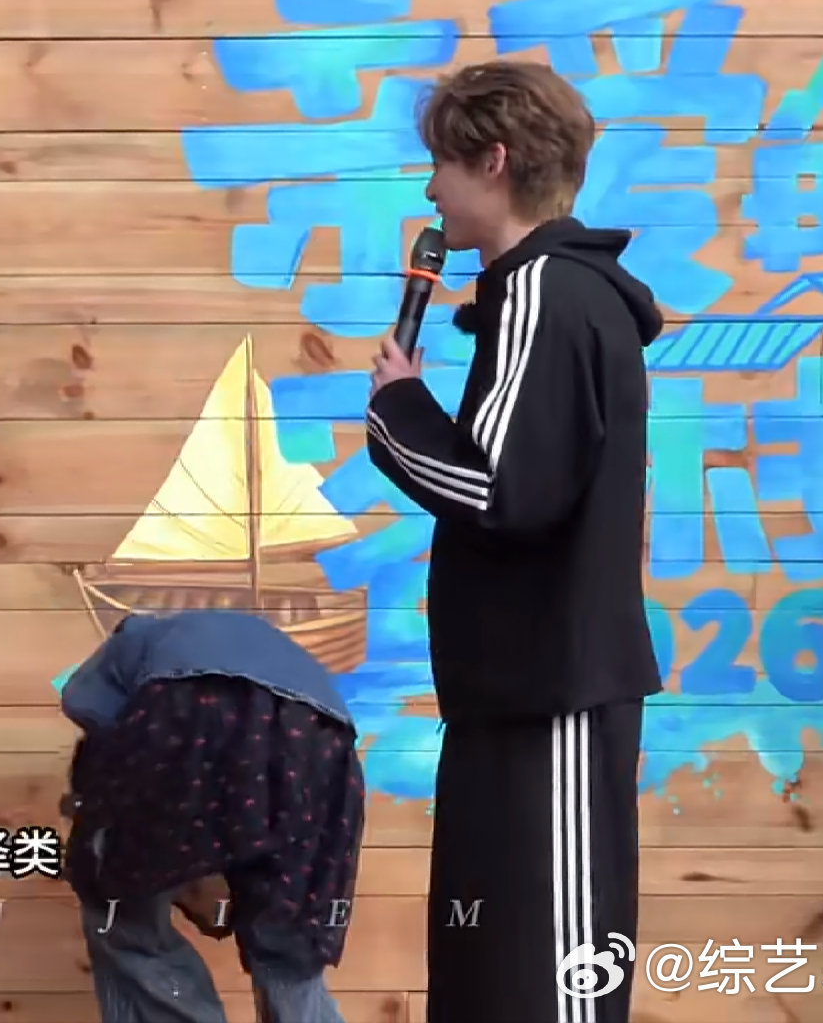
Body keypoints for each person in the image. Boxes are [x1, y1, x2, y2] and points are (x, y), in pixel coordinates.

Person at [361, 60, 664, 1023]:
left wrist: (396, 411)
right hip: (512, 692)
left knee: (548, 981)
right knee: (491, 979)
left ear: (492, 161)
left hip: (551, 696)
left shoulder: (542, 291)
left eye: (441, 166)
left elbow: (496, 488)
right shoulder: (535, 296)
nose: (428, 190)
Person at [58, 611, 366, 1023]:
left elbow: (93, 727)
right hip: (323, 736)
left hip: (189, 704)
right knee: (288, 937)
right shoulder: (231, 640)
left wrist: (92, 828)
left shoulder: (125, 646)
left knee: (120, 906)